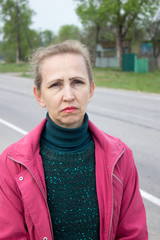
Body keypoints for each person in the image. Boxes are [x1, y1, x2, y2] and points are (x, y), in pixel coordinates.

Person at [0, 40, 148, 240]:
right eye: (55, 85)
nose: (68, 95)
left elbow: (134, 234)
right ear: (39, 95)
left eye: (77, 82)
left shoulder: (121, 157)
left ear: (91, 89)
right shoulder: (11, 164)